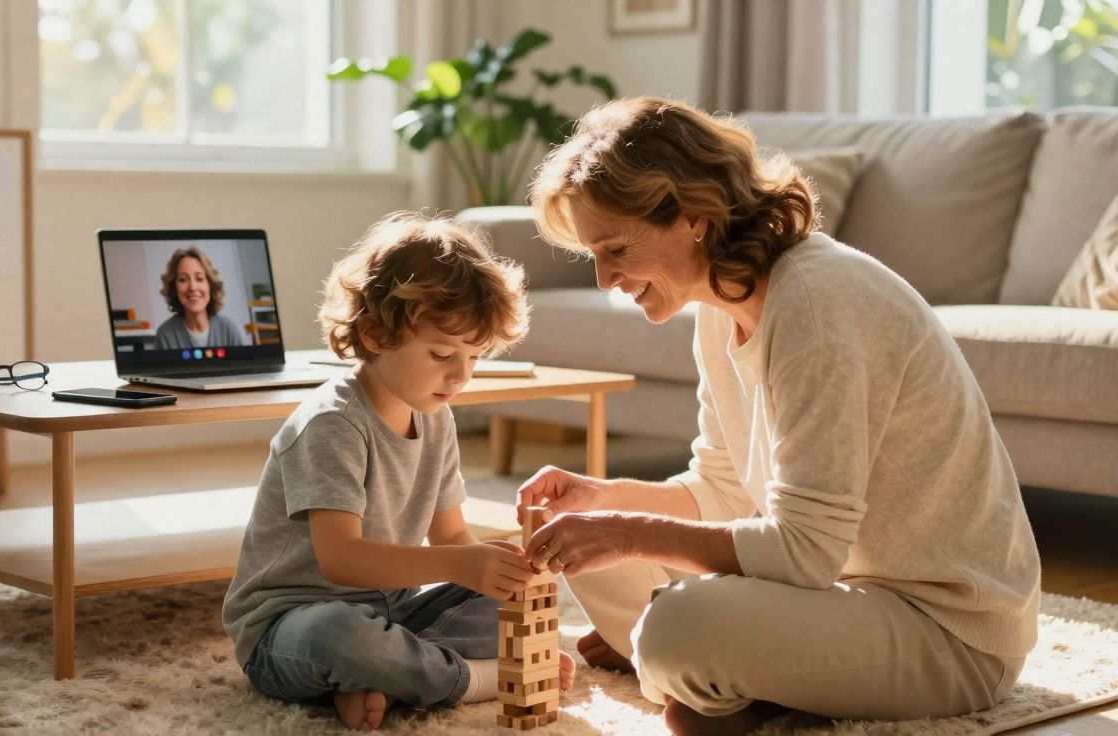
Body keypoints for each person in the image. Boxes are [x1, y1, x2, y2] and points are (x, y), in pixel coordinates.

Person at [513, 97, 1041, 736]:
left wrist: (629, 534)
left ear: (694, 218)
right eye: (594, 254)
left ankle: (689, 664)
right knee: (586, 532)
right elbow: (724, 490)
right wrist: (604, 500)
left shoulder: (819, 301)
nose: (604, 278)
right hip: (837, 599)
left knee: (679, 625)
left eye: (616, 247)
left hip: (947, 630)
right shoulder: (719, 306)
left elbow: (805, 552)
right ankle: (714, 673)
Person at [222, 212, 574, 731]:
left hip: (393, 614)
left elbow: (451, 534)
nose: (460, 375)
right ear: (376, 334)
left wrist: (491, 568)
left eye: (475, 357)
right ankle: (482, 679)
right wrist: (459, 564)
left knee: (513, 594)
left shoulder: (436, 417)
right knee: (343, 639)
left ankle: (381, 678)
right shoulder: (333, 424)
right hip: (289, 630)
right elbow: (341, 560)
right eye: (442, 353)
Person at [153, 246, 248, 349]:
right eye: (183, 279)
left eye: (199, 278)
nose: (193, 287)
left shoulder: (229, 330)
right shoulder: (165, 335)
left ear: (210, 284)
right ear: (174, 287)